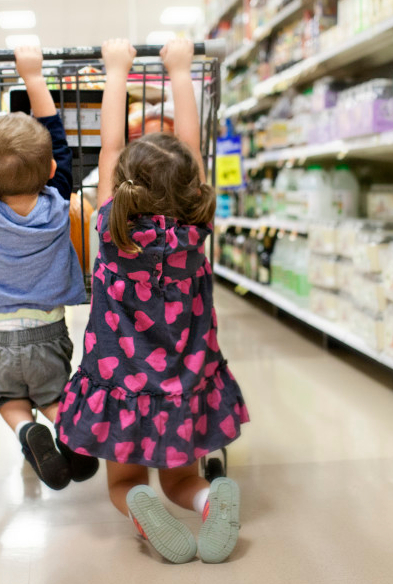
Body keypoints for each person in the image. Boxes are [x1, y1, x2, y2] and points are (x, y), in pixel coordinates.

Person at [55, 39, 250, 563]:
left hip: (121, 382)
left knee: (126, 482)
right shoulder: (195, 228)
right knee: (182, 474)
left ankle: (136, 503)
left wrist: (115, 70)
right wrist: (180, 71)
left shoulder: (113, 227)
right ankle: (208, 498)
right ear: (193, 187)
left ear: (119, 184)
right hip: (185, 382)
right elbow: (192, 143)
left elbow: (110, 145)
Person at [0, 44, 98, 491]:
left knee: (5, 399)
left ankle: (25, 430)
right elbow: (58, 139)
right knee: (53, 395)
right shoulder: (59, 203)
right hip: (49, 334)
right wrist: (34, 77)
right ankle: (63, 427)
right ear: (54, 169)